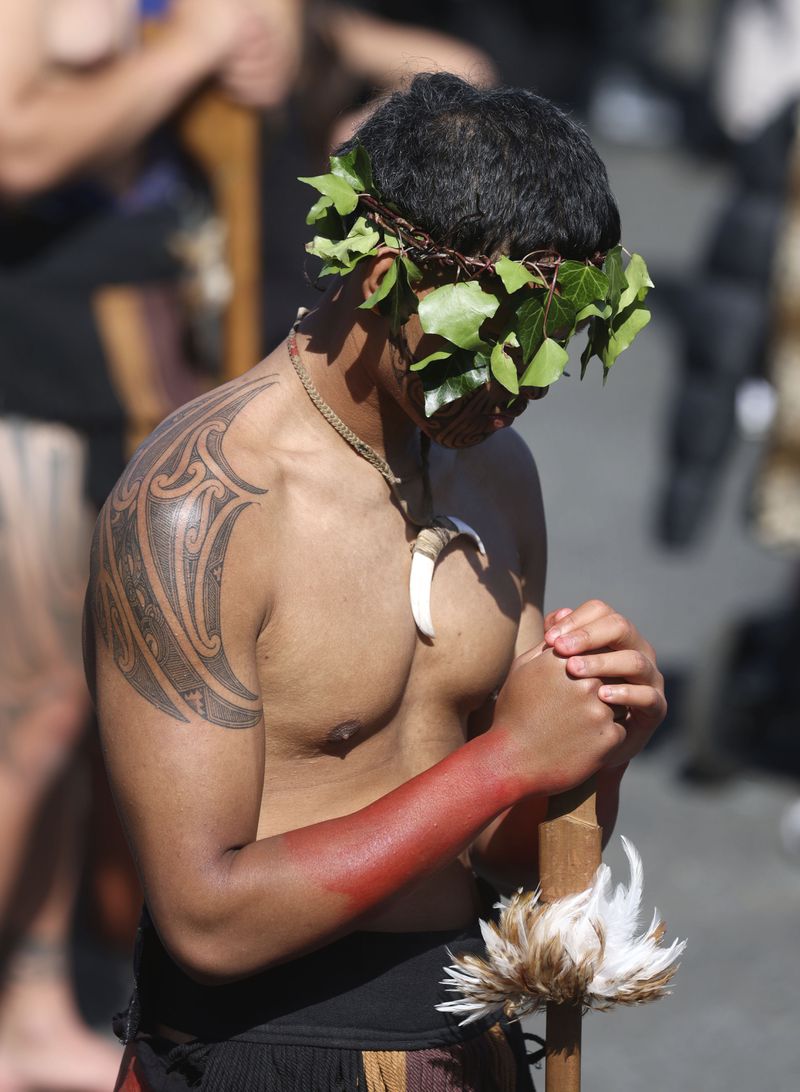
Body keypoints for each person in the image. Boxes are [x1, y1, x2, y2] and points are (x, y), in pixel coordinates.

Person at [85, 73, 666, 1092]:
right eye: (495, 335)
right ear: (388, 272)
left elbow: (503, 854)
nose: (516, 386)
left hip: (463, 1033)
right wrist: (501, 764)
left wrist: (595, 746)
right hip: (257, 1051)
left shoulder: (494, 469)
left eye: (549, 348)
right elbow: (206, 919)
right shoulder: (200, 506)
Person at [0, 3, 300, 1090]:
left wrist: (297, 49)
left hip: (126, 363)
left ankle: (26, 1016)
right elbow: (13, 144)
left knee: (69, 722)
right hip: (24, 370)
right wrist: (195, 44)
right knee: (20, 736)